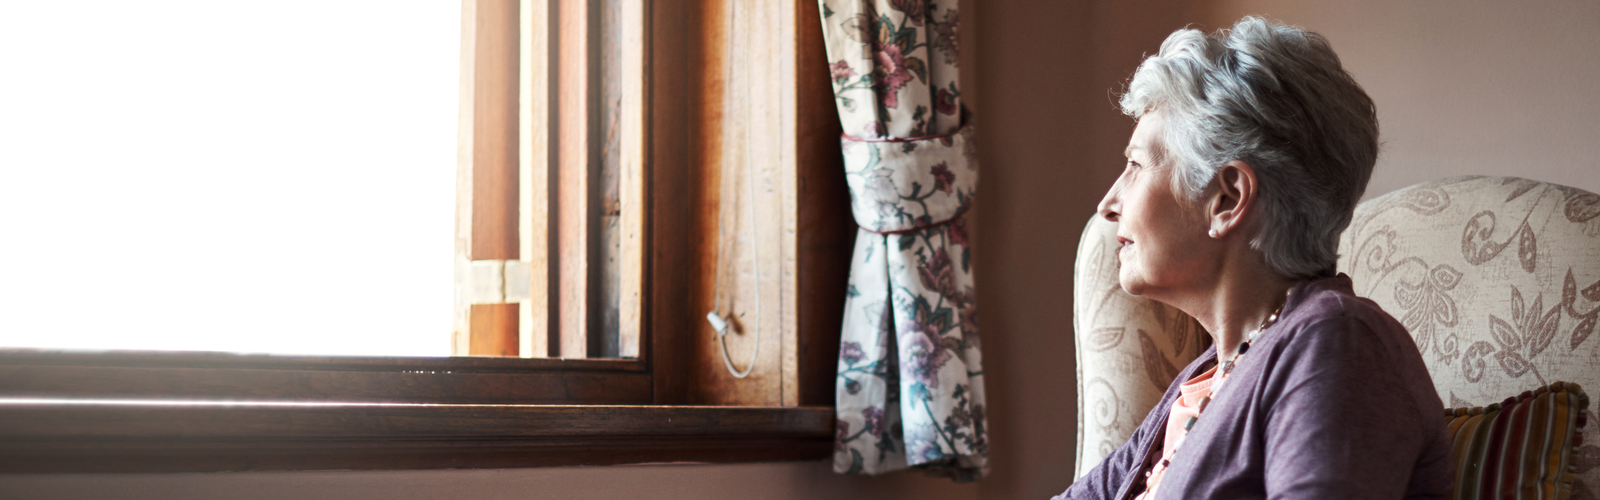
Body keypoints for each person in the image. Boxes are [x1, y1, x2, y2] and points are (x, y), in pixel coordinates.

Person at [1053, 17, 1453, 500]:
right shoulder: (1206, 379)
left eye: (1135, 165)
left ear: (1227, 199)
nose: (1108, 203)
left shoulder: (1336, 344)